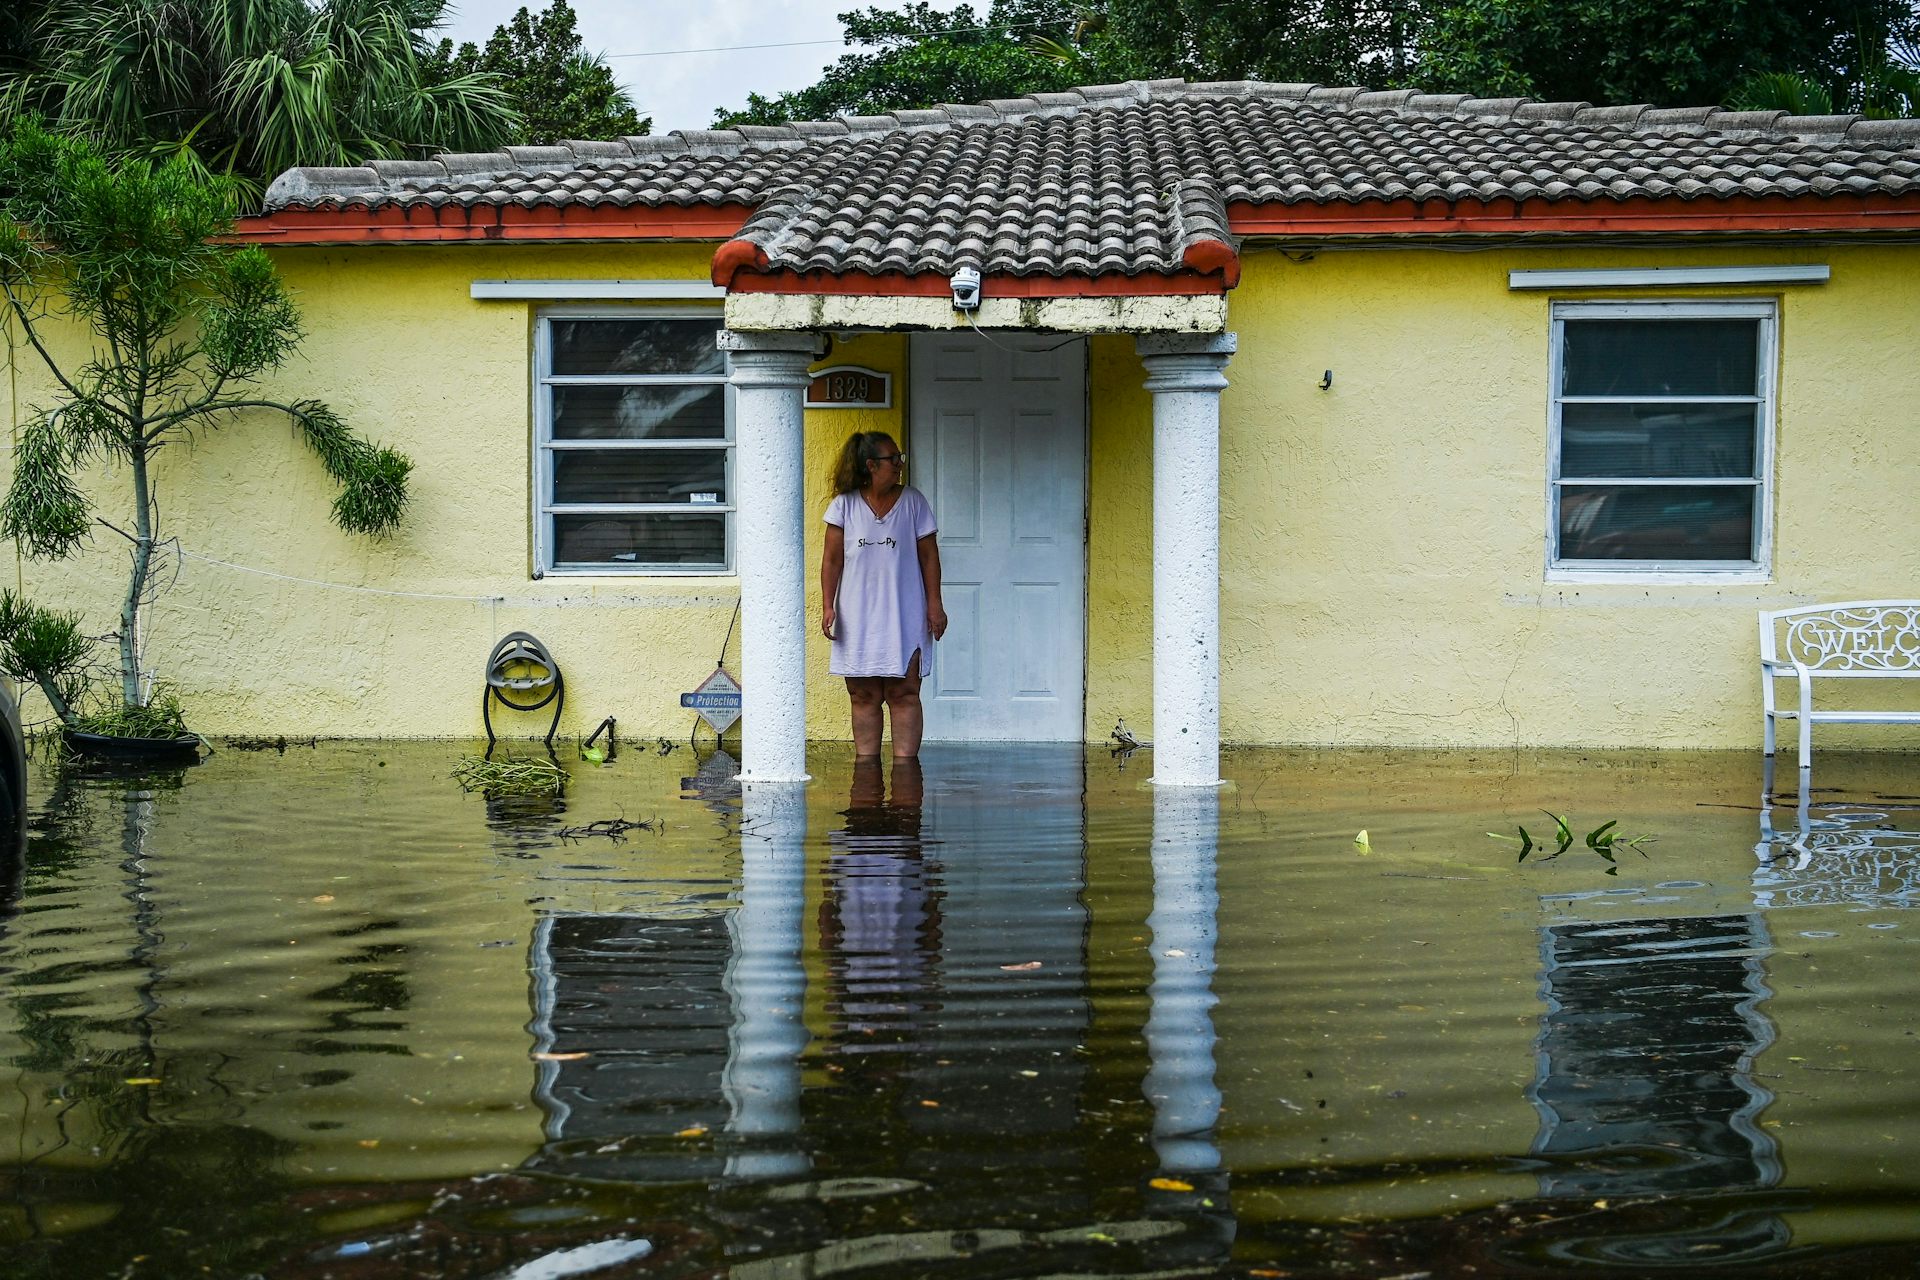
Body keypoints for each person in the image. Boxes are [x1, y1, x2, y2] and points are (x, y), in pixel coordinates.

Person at [821, 431, 946, 757]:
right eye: (894, 460)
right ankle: (867, 779)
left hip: (905, 612)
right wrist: (827, 606)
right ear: (871, 465)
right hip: (857, 614)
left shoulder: (913, 502)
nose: (900, 465)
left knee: (904, 691)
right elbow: (832, 559)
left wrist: (935, 604)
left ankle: (906, 780)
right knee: (863, 695)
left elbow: (929, 556)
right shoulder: (844, 506)